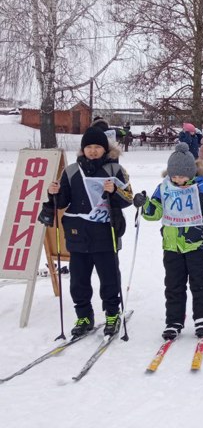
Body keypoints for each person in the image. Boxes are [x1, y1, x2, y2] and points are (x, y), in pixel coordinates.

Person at [39, 126, 133, 337]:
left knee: (109, 278)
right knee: (78, 280)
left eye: (97, 147)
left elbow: (128, 198)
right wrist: (53, 193)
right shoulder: (71, 170)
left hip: (105, 232)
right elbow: (62, 201)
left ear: (105, 149)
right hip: (77, 233)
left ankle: (111, 313)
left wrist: (114, 191)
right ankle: (84, 316)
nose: (92, 151)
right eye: (88, 147)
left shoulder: (115, 170)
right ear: (83, 149)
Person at [140, 143, 203, 339]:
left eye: (182, 175)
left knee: (200, 282)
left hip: (197, 243)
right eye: (174, 175)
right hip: (172, 246)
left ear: (191, 172)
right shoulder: (164, 188)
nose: (178, 179)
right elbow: (154, 212)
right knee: (173, 285)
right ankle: (174, 320)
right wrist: (144, 205)